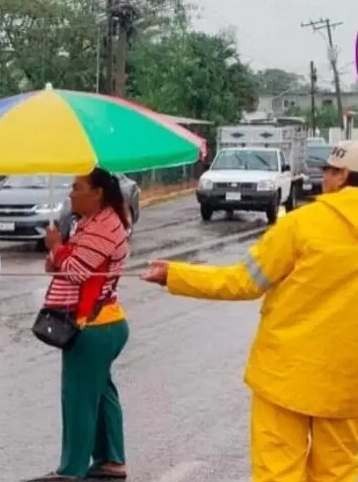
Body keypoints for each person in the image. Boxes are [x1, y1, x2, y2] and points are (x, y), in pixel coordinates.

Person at [142, 140, 358, 482]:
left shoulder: (301, 225)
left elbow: (243, 282)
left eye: (328, 172)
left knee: (278, 472)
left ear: (343, 175)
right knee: (341, 473)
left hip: (284, 377)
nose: (324, 179)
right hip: (348, 388)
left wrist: (176, 274)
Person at [26, 167, 131, 482]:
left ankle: (71, 471)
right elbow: (62, 266)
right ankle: (111, 461)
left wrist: (56, 248)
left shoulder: (104, 226)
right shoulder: (92, 223)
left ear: (96, 192)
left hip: (92, 325)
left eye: (76, 187)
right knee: (101, 393)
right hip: (104, 322)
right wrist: (58, 252)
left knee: (78, 398)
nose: (70, 193)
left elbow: (75, 271)